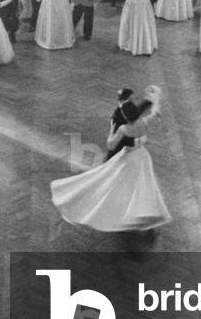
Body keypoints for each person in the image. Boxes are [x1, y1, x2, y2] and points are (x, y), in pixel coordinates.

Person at [51, 86, 171, 231]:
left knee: (115, 182)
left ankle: (121, 210)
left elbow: (111, 145)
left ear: (126, 117)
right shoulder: (144, 122)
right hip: (142, 157)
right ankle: (141, 210)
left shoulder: (124, 129)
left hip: (127, 158)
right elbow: (156, 112)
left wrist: (111, 131)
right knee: (143, 184)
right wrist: (157, 96)